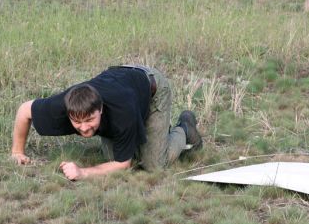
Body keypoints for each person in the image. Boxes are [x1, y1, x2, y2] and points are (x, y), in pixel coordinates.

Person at [10, 65, 202, 180]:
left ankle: (184, 128)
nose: (84, 128)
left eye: (90, 120)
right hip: (119, 79)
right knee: (117, 157)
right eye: (77, 122)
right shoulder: (60, 105)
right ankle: (151, 136)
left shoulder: (122, 111)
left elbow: (122, 164)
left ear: (101, 109)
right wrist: (17, 152)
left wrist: (83, 173)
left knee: (153, 164)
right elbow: (24, 110)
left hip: (151, 86)